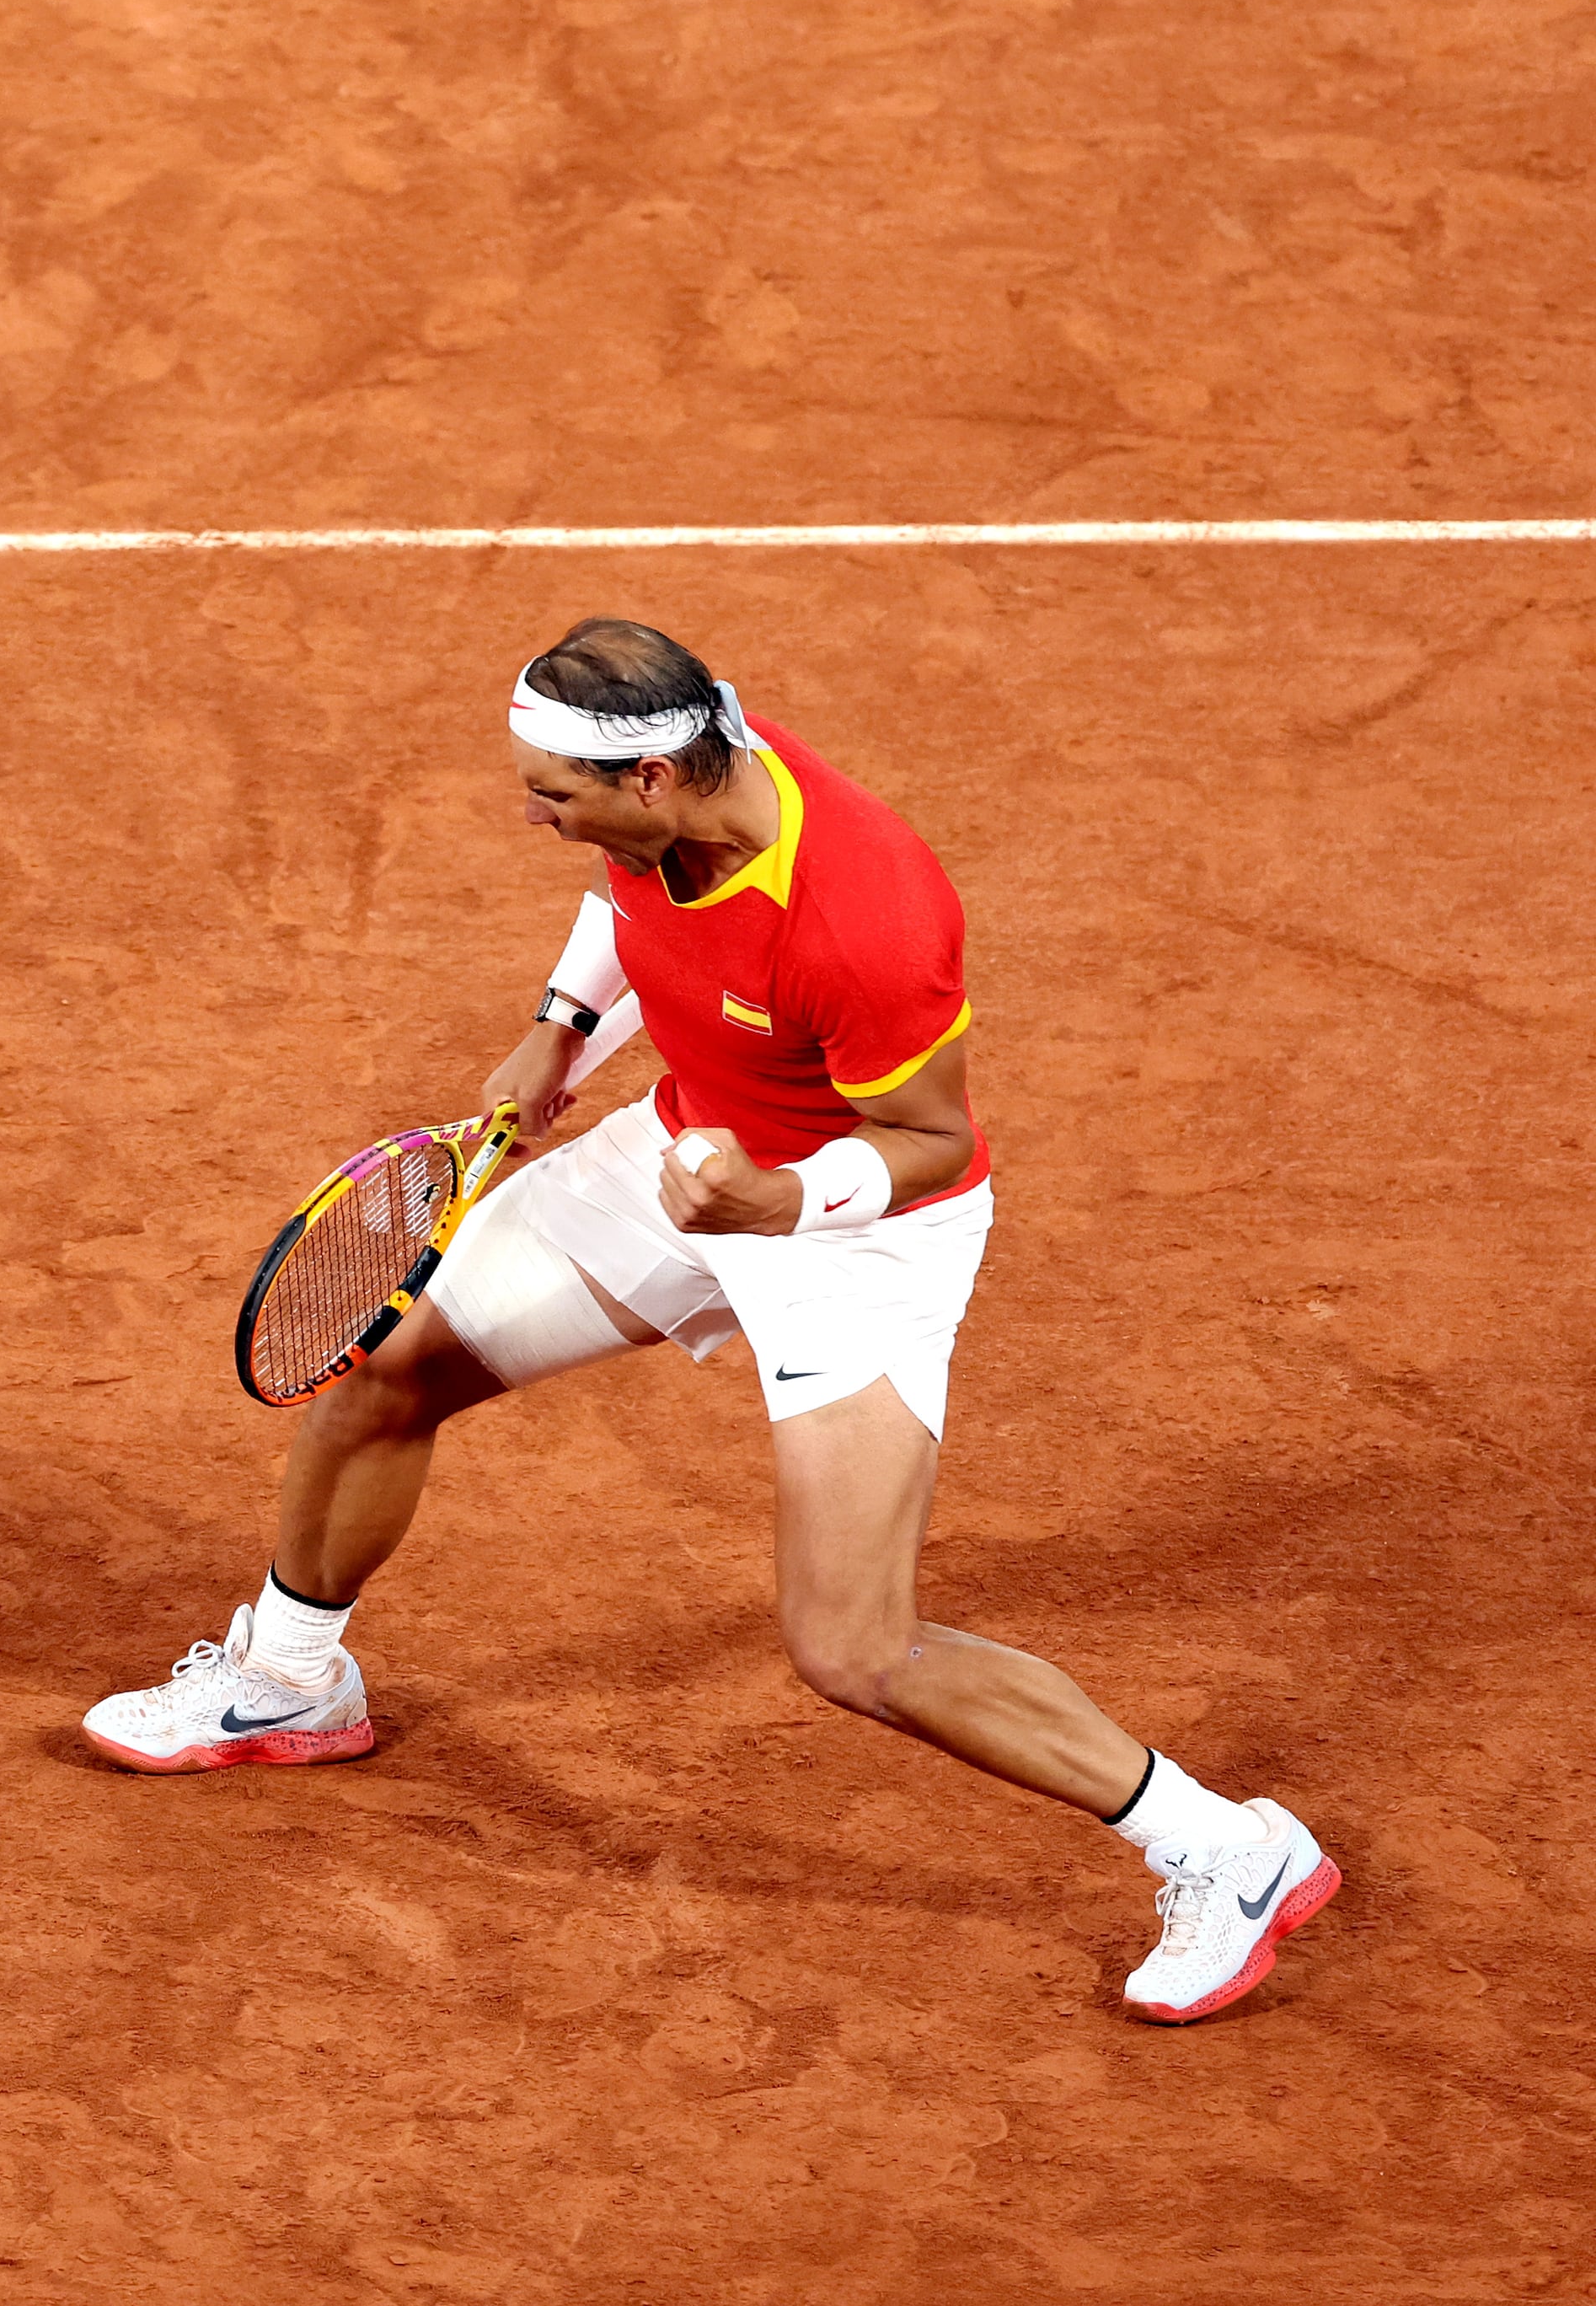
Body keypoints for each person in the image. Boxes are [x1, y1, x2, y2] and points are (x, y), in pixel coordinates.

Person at [82, 618, 1336, 2024]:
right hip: (682, 1159)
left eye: (556, 791)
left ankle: (1226, 1845)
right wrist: (562, 1026)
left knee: (857, 1647)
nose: (532, 810)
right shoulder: (665, 804)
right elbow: (621, 901)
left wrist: (781, 1203)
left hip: (854, 1237)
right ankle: (289, 1679)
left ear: (662, 776)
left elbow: (931, 1140)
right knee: (387, 1366)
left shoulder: (866, 913)